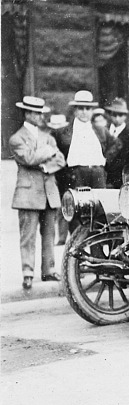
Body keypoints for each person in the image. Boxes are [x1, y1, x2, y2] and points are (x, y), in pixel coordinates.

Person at [9, 96, 66, 289]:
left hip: (49, 191)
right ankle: (28, 272)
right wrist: (48, 151)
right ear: (26, 113)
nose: (39, 116)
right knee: (28, 236)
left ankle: (48, 270)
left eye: (40, 112)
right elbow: (28, 158)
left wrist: (45, 168)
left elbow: (60, 160)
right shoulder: (16, 138)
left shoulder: (48, 137)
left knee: (49, 234)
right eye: (34, 112)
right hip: (28, 194)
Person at [53, 90, 117, 191]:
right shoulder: (63, 132)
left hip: (97, 173)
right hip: (76, 174)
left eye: (88, 108)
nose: (84, 112)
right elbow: (55, 148)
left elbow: (116, 144)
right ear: (75, 110)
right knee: (79, 203)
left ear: (92, 111)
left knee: (100, 202)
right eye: (81, 108)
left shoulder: (100, 130)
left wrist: (106, 159)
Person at [45, 114, 70, 245]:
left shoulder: (66, 139)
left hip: (65, 174)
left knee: (64, 205)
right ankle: (62, 236)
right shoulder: (50, 139)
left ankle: (63, 236)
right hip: (56, 174)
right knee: (60, 206)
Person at [105, 98, 129, 189]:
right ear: (109, 114)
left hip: (120, 181)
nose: (117, 118)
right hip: (103, 179)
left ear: (125, 116)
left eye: (120, 115)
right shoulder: (103, 132)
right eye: (114, 114)